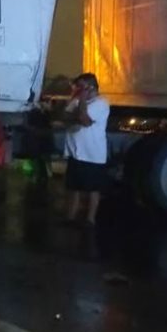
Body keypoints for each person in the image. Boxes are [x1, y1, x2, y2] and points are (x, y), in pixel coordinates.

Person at [63, 73, 111, 225]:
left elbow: (84, 120)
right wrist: (76, 99)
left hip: (92, 154)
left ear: (90, 87)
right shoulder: (77, 100)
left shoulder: (101, 103)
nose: (77, 90)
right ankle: (70, 217)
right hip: (76, 153)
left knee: (92, 189)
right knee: (73, 187)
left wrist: (81, 101)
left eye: (80, 87)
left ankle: (90, 219)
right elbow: (64, 116)